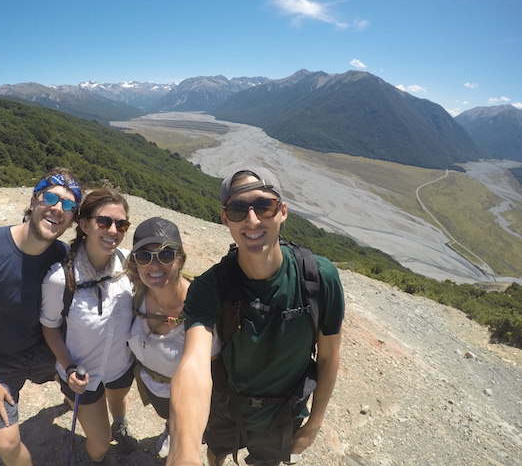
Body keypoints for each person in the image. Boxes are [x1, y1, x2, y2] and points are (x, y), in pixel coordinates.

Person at [168, 166, 345, 466]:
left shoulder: (318, 278)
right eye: (238, 209)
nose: (252, 220)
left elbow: (329, 355)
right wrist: (185, 454)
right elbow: (194, 363)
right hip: (224, 408)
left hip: (282, 413)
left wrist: (314, 423)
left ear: (282, 211)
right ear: (225, 219)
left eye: (264, 206)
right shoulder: (209, 287)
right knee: (216, 453)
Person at [0, 167, 82, 466]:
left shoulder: (61, 256)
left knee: (82, 399)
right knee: (7, 443)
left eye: (69, 204)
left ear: (73, 218)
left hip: (44, 346)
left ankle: (67, 396)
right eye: (51, 197)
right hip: (0, 357)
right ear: (35, 200)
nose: (58, 208)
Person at [40, 188, 137, 464]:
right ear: (84, 225)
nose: (114, 230)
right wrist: (68, 367)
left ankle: (120, 422)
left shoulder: (128, 264)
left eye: (121, 224)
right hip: (82, 376)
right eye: (104, 222)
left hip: (120, 364)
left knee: (118, 398)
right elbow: (50, 327)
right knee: (99, 445)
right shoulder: (60, 279)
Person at [126, 217, 222, 459]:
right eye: (144, 257)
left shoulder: (199, 309)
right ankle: (169, 428)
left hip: (188, 397)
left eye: (166, 255)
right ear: (135, 263)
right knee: (167, 416)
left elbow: (212, 362)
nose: (154, 265)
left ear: (180, 258)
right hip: (153, 386)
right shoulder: (134, 294)